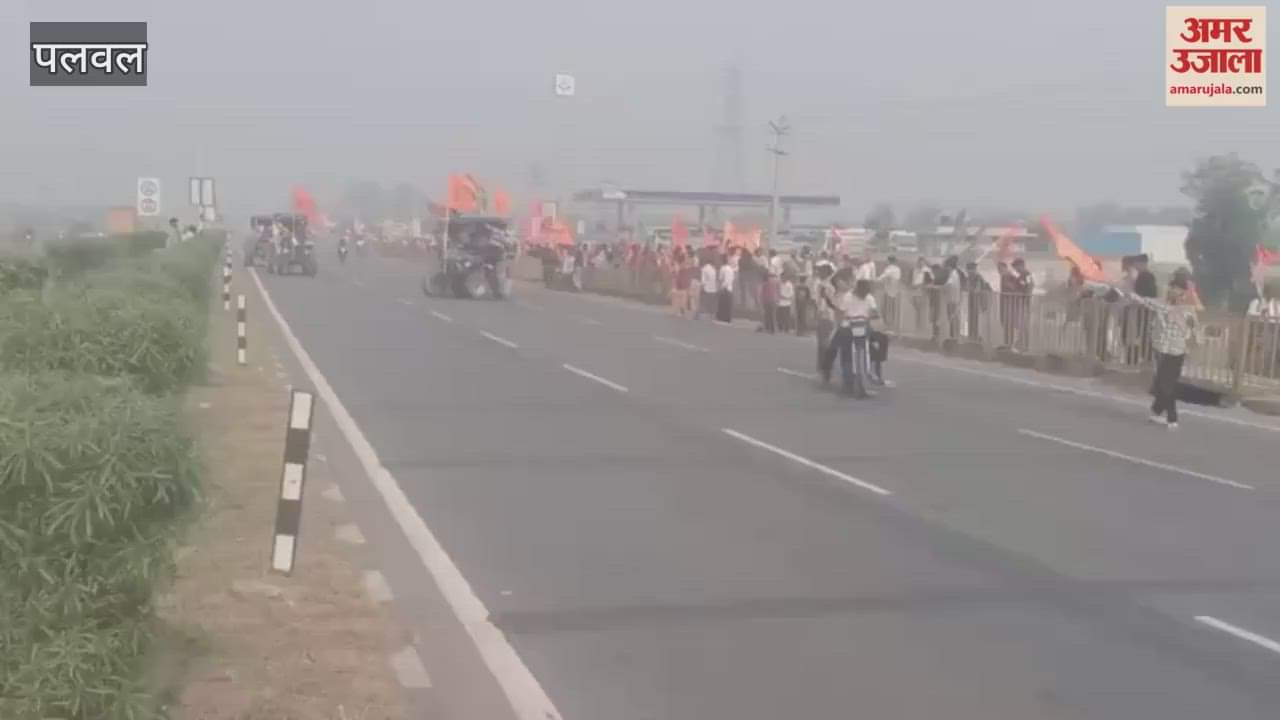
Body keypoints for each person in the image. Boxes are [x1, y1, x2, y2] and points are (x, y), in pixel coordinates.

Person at [1123, 276, 1198, 429]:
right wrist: (1133, 296)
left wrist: (1181, 322)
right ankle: (1156, 411)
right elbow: (1147, 302)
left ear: (1183, 293)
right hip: (1161, 350)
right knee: (1162, 383)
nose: (1172, 291)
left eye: (1177, 289)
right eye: (1172, 287)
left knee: (1166, 385)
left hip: (1175, 352)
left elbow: (1191, 332)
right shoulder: (1164, 305)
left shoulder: (1186, 310)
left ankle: (1172, 418)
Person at [813, 262, 839, 381]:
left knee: (824, 344)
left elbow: (827, 302)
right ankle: (823, 369)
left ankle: (825, 369)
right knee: (822, 344)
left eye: (821, 271)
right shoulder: (822, 284)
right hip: (824, 315)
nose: (819, 273)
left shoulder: (827, 286)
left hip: (827, 316)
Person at [877, 255, 902, 331]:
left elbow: (883, 277)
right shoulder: (895, 269)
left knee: (888, 310)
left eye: (887, 260)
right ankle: (889, 326)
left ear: (890, 261)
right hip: (890, 291)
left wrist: (876, 279)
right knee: (887, 310)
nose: (886, 261)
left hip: (890, 292)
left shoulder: (892, 269)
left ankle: (889, 326)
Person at [716, 255, 736, 323]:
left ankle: (721, 317)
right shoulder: (731, 269)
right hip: (730, 288)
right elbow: (733, 279)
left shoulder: (723, 268)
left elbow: (720, 278)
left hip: (724, 288)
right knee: (728, 305)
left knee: (722, 305)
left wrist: (720, 287)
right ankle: (728, 318)